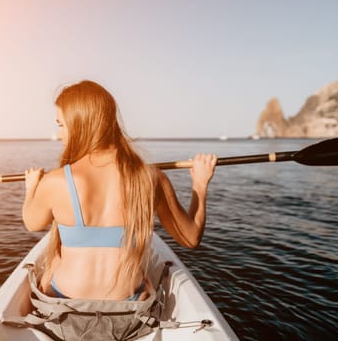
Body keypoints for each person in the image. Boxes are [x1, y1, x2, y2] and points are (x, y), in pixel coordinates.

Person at [22, 80, 216, 301]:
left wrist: (31, 187)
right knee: (143, 280)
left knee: (52, 266)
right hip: (127, 311)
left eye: (61, 125)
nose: (59, 135)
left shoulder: (55, 181)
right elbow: (190, 238)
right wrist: (200, 185)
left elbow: (31, 223)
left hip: (65, 307)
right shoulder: (150, 178)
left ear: (79, 125)